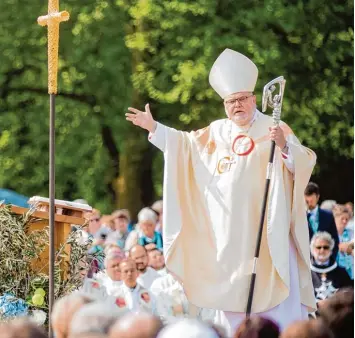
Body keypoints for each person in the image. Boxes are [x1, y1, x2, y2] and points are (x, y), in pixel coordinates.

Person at [126, 48, 317, 330]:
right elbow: (184, 146)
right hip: (228, 238)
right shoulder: (215, 132)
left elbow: (304, 162)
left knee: (277, 301)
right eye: (230, 101)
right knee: (231, 305)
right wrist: (155, 127)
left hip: (268, 231)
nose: (236, 106)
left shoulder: (275, 127)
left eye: (241, 99)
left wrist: (285, 147)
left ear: (253, 99)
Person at [309, 232, 352, 306]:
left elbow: (350, 295)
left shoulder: (341, 273)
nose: (322, 250)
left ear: (331, 250)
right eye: (318, 247)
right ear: (312, 250)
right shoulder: (305, 273)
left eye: (326, 247)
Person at [304, 182, 339, 261]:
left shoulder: (328, 216)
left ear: (317, 197)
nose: (309, 204)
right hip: (305, 262)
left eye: (312, 201)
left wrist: (331, 259)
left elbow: (335, 239)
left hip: (325, 260)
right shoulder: (300, 217)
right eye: (307, 201)